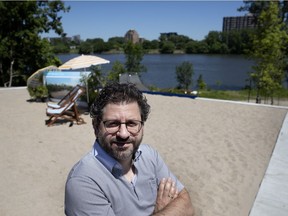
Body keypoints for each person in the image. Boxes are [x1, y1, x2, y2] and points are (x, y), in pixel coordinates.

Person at [65, 83, 193, 216]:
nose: (123, 134)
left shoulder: (149, 156)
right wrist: (159, 210)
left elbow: (187, 204)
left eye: (132, 123)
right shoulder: (83, 181)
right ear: (96, 127)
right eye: (113, 124)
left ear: (142, 126)